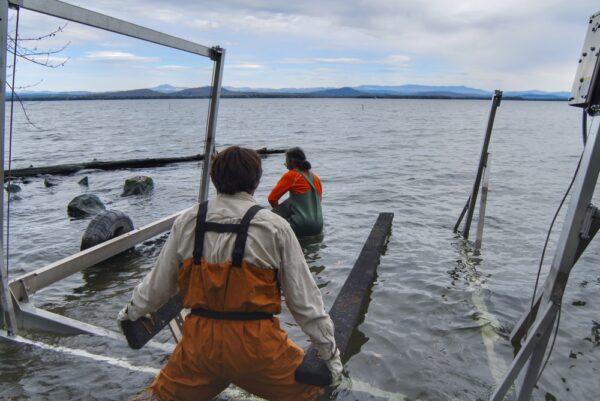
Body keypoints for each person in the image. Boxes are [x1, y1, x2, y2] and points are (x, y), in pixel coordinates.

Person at [117, 146, 342, 401]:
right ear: (256, 181)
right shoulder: (274, 227)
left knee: (158, 396)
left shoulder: (188, 220)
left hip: (199, 349)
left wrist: (130, 312)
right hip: (258, 350)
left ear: (214, 178)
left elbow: (158, 285)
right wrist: (330, 355)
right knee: (313, 394)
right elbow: (305, 302)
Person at [268, 147, 323, 237]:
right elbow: (318, 201)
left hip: (299, 226)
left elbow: (272, 198)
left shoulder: (292, 175)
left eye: (286, 160)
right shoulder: (315, 178)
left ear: (291, 162)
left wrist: (280, 216)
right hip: (318, 226)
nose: (284, 164)